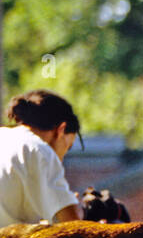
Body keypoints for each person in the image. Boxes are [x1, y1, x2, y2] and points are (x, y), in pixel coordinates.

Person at [0, 90, 82, 226]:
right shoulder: (39, 149)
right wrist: (77, 210)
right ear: (61, 130)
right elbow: (74, 228)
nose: (61, 158)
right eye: (68, 146)